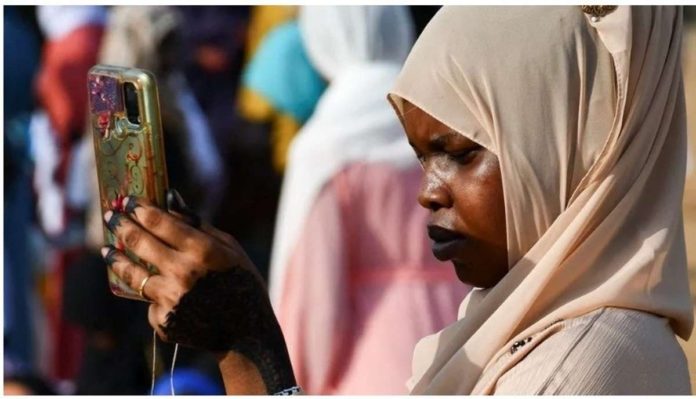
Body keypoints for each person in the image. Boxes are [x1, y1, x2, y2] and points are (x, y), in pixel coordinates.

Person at [100, 6, 692, 394]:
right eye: (420, 159)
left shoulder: (578, 371)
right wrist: (243, 338)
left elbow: (318, 300)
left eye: (460, 154)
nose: (427, 193)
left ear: (567, 148)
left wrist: (258, 349)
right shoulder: (509, 331)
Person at [267, 6, 470, 394]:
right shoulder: (442, 119)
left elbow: (317, 293)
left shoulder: (326, 143)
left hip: (366, 359)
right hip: (462, 333)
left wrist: (294, 381)